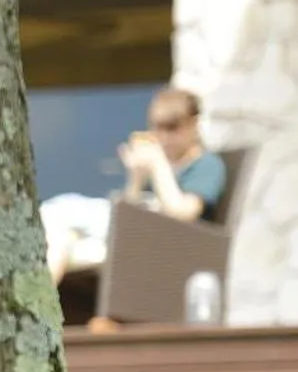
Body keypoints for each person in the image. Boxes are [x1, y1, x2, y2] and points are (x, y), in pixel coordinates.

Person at [42, 86, 226, 285]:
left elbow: (183, 214)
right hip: (133, 233)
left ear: (193, 124)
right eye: (158, 128)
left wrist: (158, 164)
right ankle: (36, 310)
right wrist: (137, 176)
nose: (164, 137)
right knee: (60, 238)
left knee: (62, 210)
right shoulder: (162, 164)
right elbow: (128, 212)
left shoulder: (206, 165)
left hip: (163, 243)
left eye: (172, 128)